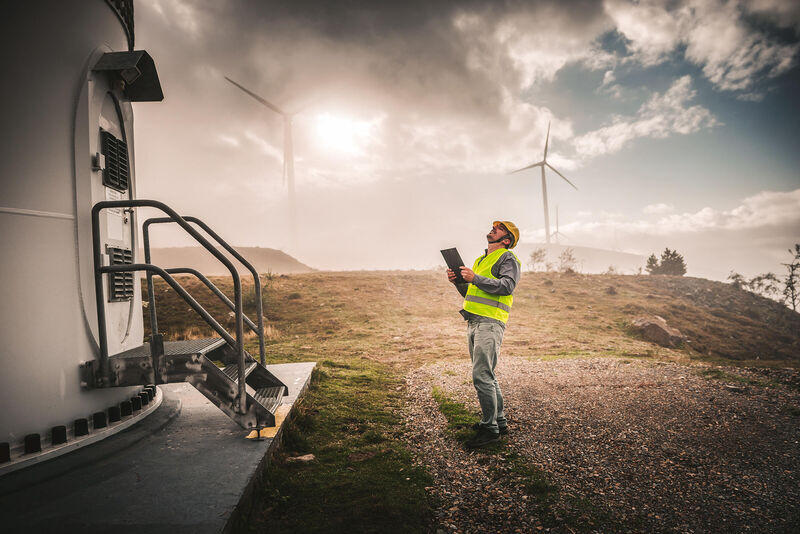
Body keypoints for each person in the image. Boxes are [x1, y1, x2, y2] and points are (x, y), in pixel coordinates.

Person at [447, 220, 521, 448]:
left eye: (498, 229)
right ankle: (499, 421)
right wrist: (459, 282)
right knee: (487, 374)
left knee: (481, 375)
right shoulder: (481, 260)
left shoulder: (507, 258)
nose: (492, 229)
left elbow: (507, 286)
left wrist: (474, 278)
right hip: (474, 320)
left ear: (506, 240)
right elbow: (473, 291)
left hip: (490, 322)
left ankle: (490, 430)